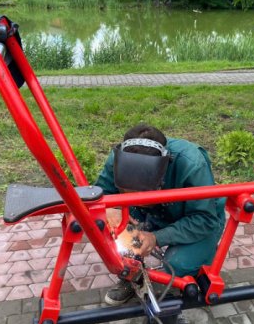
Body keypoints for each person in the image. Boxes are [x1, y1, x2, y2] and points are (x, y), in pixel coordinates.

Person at [95, 124, 226, 306]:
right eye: (128, 191)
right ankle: (132, 276)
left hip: (197, 220)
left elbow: (204, 219)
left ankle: (200, 257)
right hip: (146, 214)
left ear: (162, 174)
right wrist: (109, 210)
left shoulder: (191, 163)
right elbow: (99, 195)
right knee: (118, 237)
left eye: (142, 193)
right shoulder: (118, 159)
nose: (135, 197)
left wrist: (156, 238)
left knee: (178, 265)